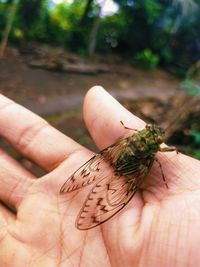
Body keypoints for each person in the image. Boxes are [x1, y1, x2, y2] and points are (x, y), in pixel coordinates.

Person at [0, 86, 199, 267]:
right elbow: (156, 163)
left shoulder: (134, 135)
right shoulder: (153, 155)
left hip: (122, 156)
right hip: (135, 167)